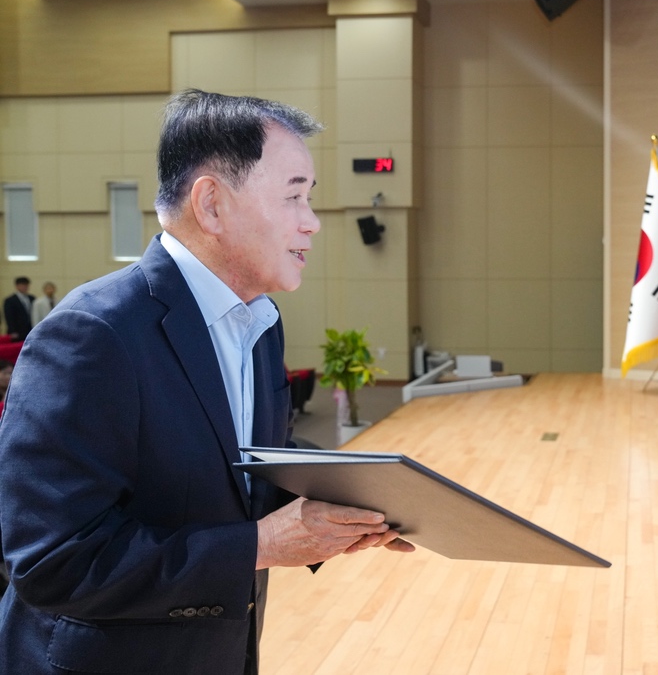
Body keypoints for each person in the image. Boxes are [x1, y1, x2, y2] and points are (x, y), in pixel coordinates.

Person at [0, 89, 414, 675]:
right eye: (294, 195)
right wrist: (263, 546)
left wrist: (372, 498)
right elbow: (54, 563)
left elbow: (242, 469)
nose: (313, 222)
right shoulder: (92, 335)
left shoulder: (260, 322)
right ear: (212, 205)